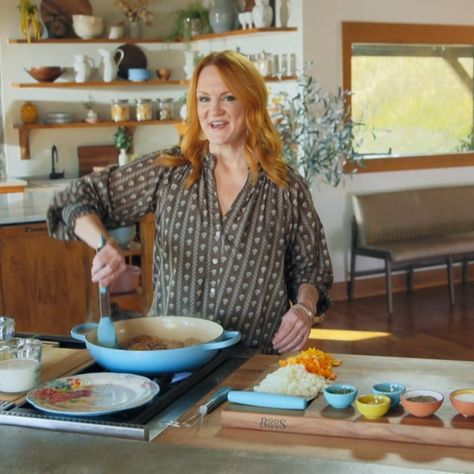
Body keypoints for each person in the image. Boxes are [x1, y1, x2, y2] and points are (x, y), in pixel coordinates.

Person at [47, 50, 333, 354]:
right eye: (204, 99)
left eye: (228, 97)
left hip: (253, 361)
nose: (214, 110)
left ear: (252, 102)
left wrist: (304, 307)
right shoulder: (170, 170)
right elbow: (74, 197)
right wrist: (104, 244)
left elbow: (310, 271)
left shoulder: (286, 187)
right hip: (171, 359)